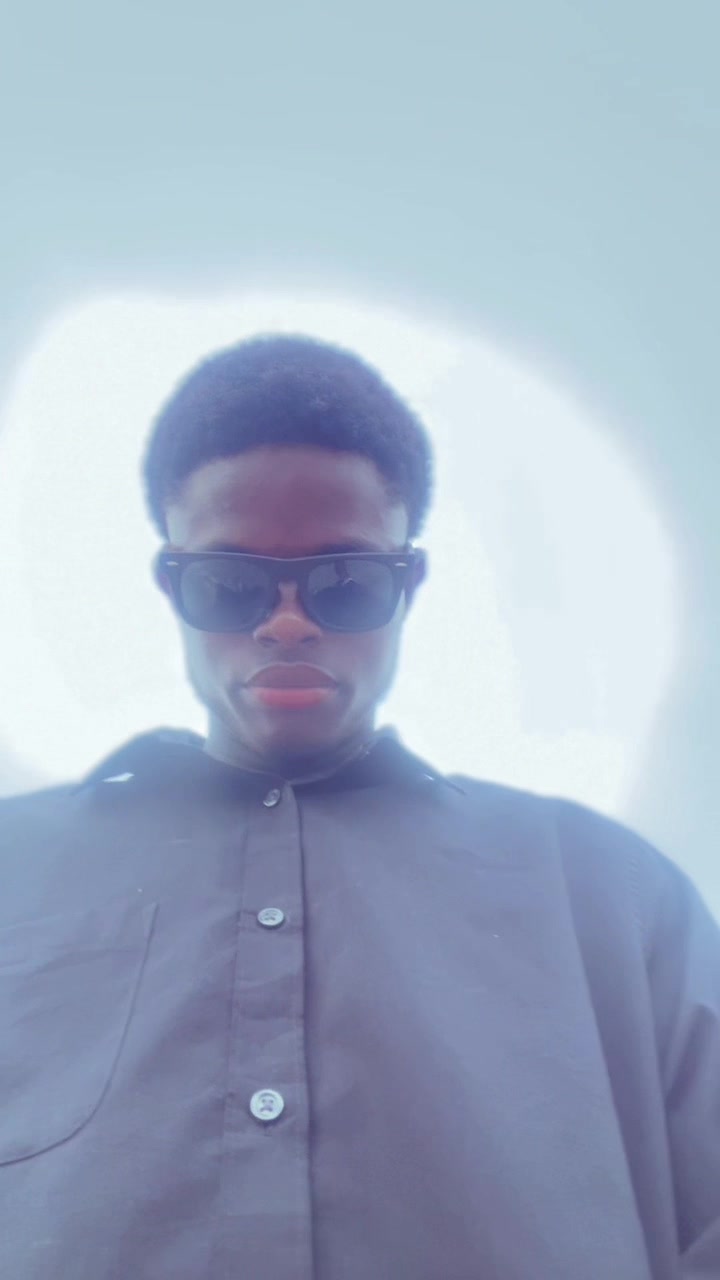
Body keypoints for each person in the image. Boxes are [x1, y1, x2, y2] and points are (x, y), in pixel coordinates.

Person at [0, 334, 718, 1280]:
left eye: (344, 583)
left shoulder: (613, 896)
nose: (287, 622)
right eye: (229, 584)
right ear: (171, 585)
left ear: (407, 585)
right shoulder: (13, 869)